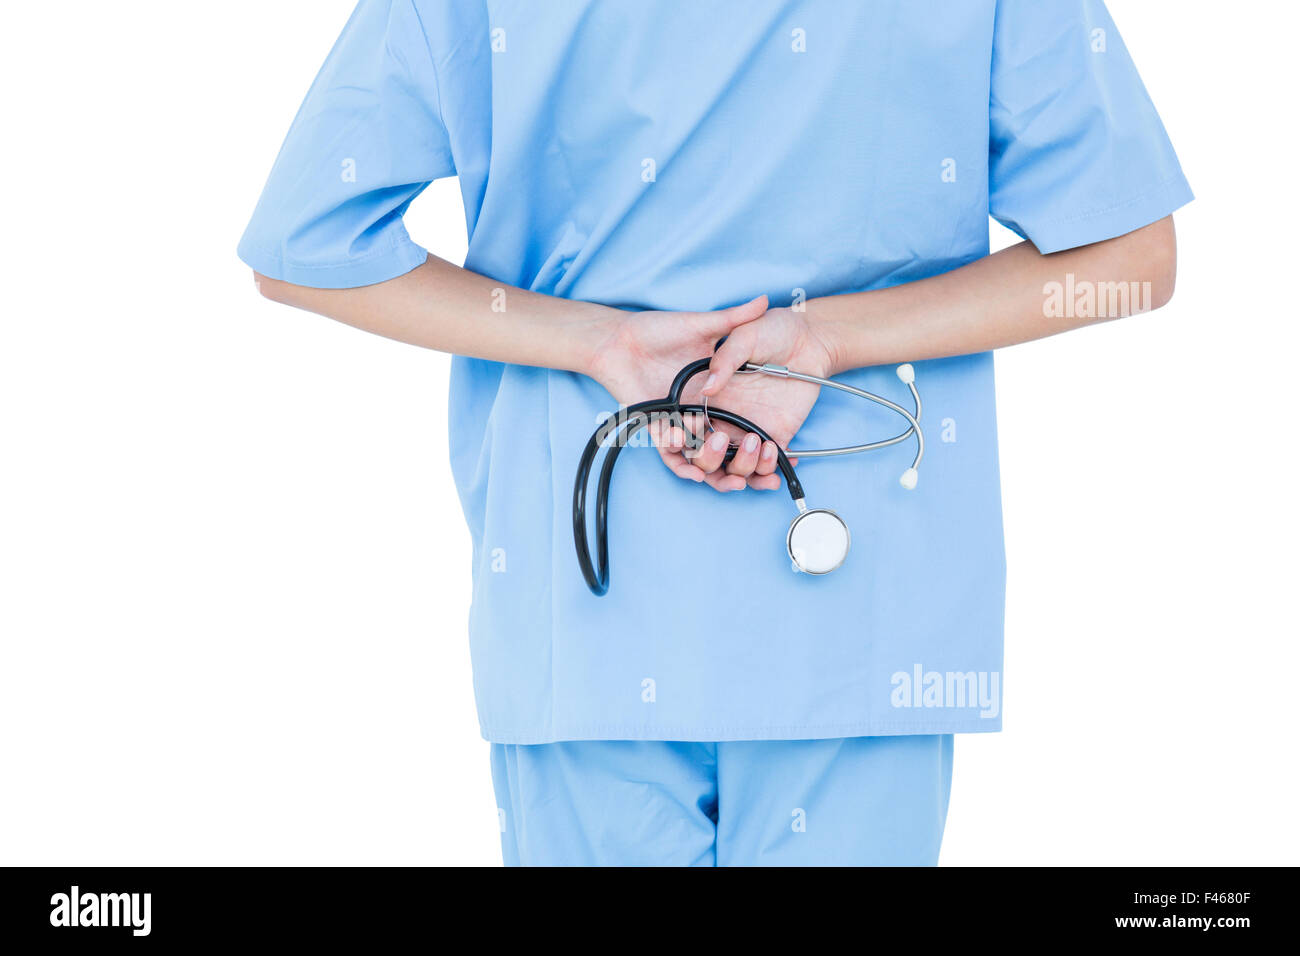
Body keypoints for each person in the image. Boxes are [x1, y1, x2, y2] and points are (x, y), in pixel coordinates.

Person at [239, 0, 1190, 866]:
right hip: (860, 617)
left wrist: (598, 342)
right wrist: (824, 341)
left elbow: (306, 247)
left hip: (589, 605)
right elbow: (1130, 253)